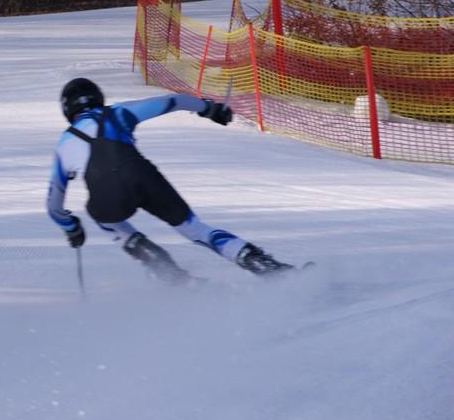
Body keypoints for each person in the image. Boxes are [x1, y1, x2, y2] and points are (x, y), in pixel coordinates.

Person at [47, 77, 296, 283]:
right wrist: (210, 109)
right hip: (142, 176)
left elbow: (54, 207)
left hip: (106, 197)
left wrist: (72, 229)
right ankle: (269, 269)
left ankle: (178, 281)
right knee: (195, 230)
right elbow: (172, 101)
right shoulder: (118, 114)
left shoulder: (63, 145)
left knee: (109, 222)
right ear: (98, 98)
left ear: (67, 110)